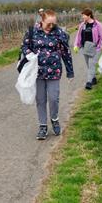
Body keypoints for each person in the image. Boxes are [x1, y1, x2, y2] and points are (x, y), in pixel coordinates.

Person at [21, 9, 74, 140]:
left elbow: (66, 52)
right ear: (42, 21)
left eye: (53, 24)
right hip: (37, 72)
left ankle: (54, 119)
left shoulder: (59, 33)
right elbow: (24, 46)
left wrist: (70, 71)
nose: (51, 26)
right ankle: (43, 126)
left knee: (53, 98)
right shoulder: (32, 32)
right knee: (40, 100)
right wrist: (28, 53)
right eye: (48, 24)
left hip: (54, 71)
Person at [73, 8, 102, 90]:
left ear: (89, 15)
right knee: (89, 65)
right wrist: (76, 45)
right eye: (82, 15)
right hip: (85, 48)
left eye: (84, 15)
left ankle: (89, 82)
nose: (82, 17)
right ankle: (93, 78)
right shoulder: (82, 25)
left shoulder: (97, 25)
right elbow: (78, 36)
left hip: (95, 48)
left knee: (91, 65)